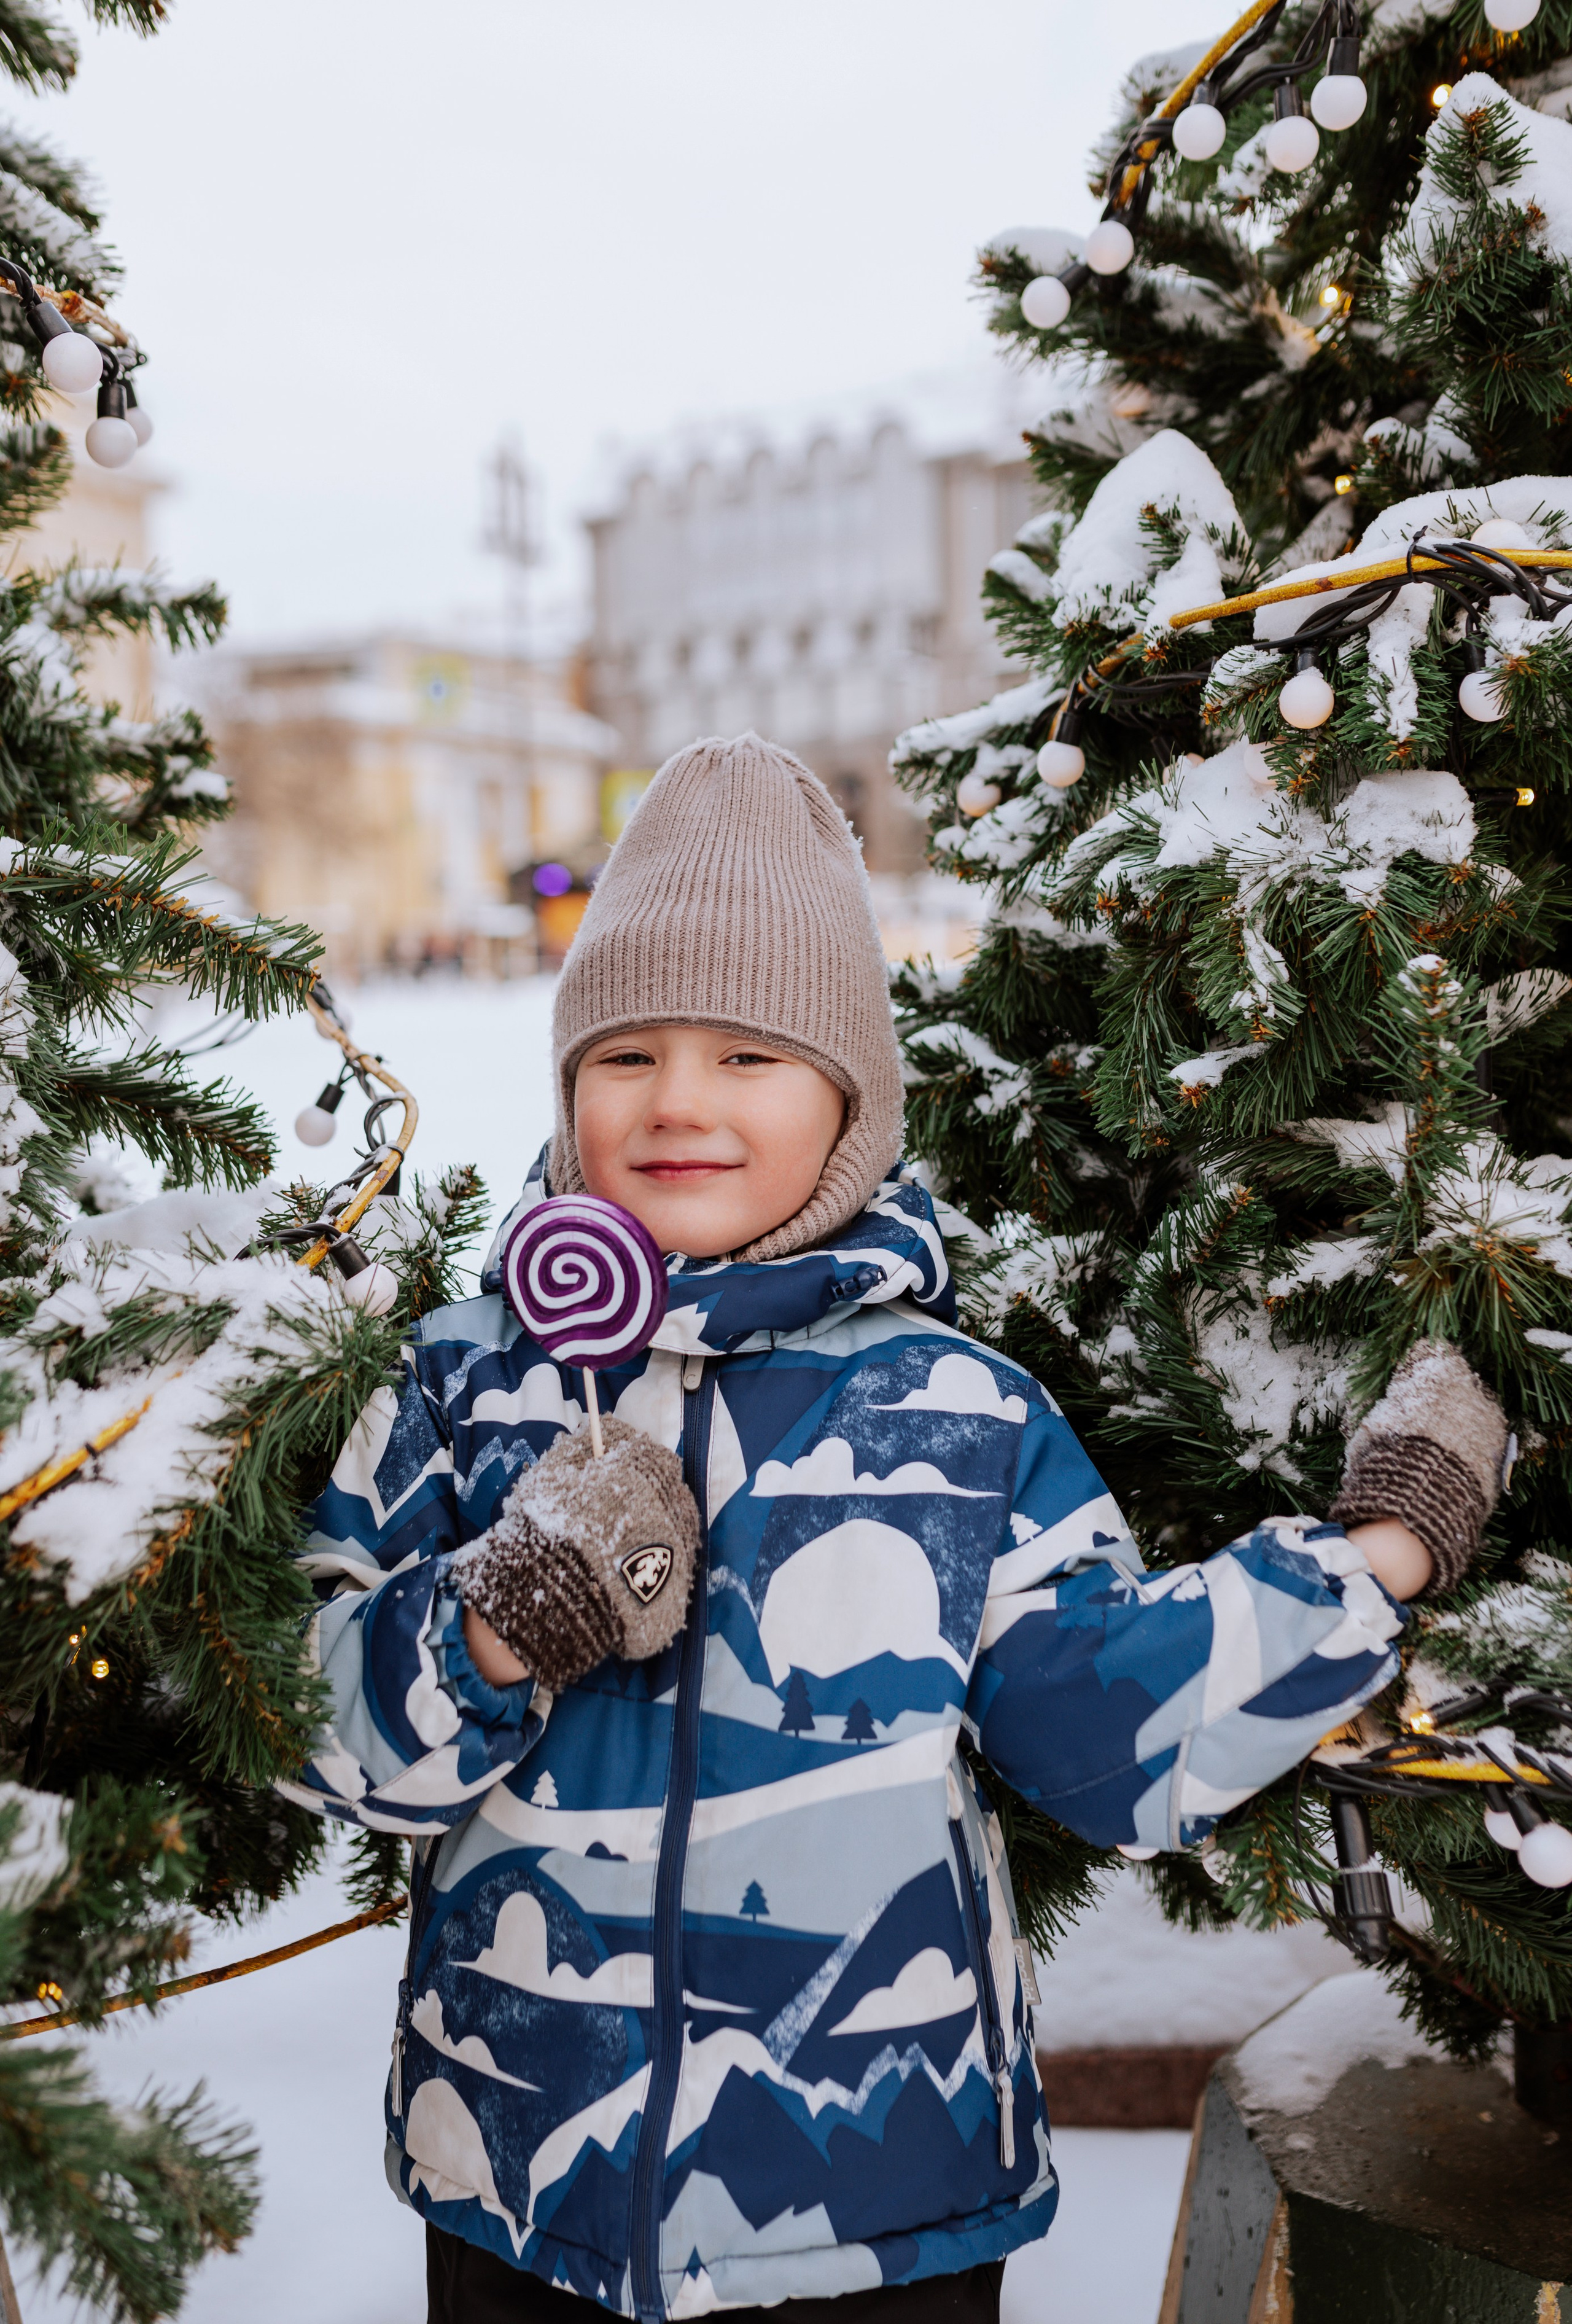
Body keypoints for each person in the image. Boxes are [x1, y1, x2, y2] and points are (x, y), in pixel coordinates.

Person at [288, 735, 1508, 2324]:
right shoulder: (465, 1383)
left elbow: (1107, 1733)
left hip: (876, 2202)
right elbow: (324, 1731)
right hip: (527, 2174)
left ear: (850, 1102)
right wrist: (499, 1620)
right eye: (625, 1054)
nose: (677, 1102)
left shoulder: (958, 1410)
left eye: (747, 1057)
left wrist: (1384, 1556)